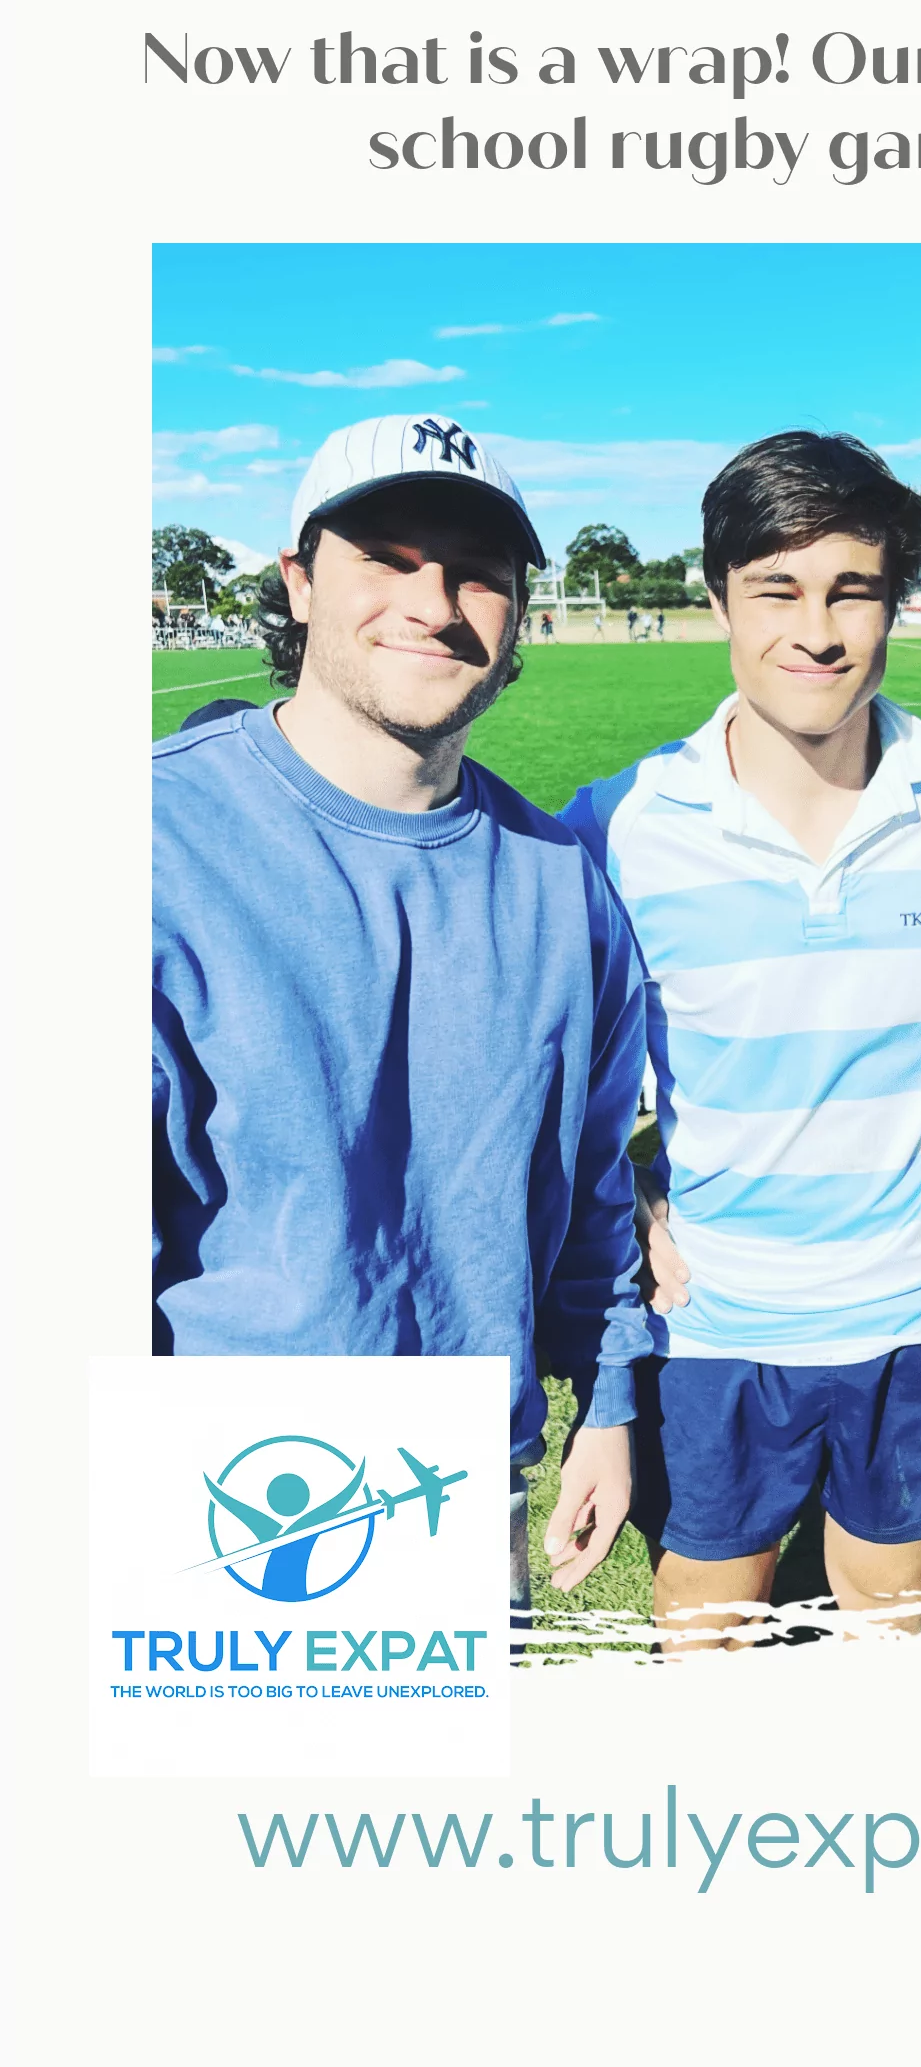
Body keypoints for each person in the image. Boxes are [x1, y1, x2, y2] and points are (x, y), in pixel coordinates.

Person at [153, 414, 651, 1620]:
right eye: (385, 555)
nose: (434, 602)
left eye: (477, 570)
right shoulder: (152, 848)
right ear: (297, 579)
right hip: (224, 1479)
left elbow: (589, 1185)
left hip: (468, 1472)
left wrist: (611, 1399)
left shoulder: (559, 881)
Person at [561, 432, 921, 1650]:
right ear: (716, 600)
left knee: (888, 1614)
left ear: (891, 604)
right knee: (707, 1623)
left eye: (850, 590)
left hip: (917, 1307)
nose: (815, 630)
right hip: (719, 1319)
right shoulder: (621, 824)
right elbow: (562, 1084)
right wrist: (634, 1201)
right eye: (776, 589)